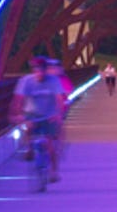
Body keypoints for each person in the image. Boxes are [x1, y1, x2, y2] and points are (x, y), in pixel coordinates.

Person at [10, 54, 72, 182]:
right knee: (27, 128)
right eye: (36, 69)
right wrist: (16, 114)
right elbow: (18, 100)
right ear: (33, 70)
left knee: (49, 144)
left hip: (49, 114)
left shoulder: (53, 81)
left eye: (42, 69)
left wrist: (58, 115)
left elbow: (59, 99)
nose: (39, 73)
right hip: (31, 113)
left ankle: (53, 171)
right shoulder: (26, 81)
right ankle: (29, 148)